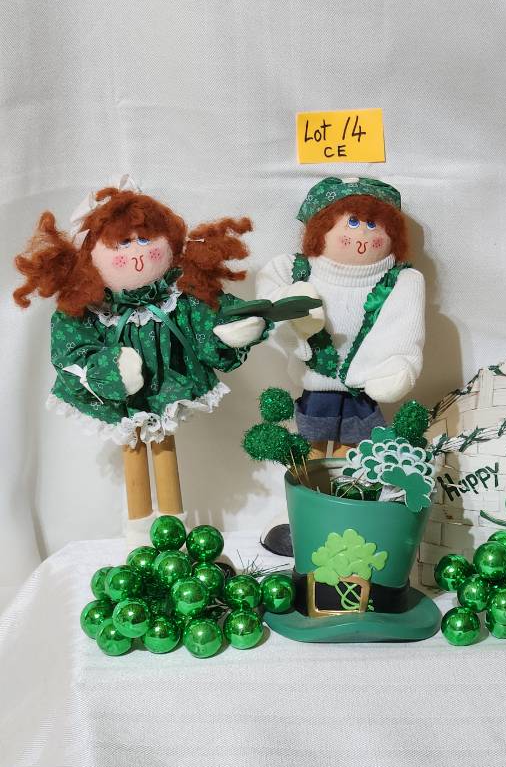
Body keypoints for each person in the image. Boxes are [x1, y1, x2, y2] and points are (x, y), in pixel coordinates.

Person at [13, 177, 272, 539]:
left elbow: (205, 316)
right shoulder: (90, 308)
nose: (137, 251)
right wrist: (107, 370)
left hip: (169, 387)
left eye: (146, 239)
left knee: (164, 451)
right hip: (121, 397)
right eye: (123, 242)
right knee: (132, 449)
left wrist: (230, 327)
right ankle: (138, 534)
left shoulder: (177, 296)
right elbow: (71, 351)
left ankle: (173, 532)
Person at [256, 176, 425, 554]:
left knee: (355, 454)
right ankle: (303, 517)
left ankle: (348, 516)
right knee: (310, 453)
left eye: (373, 224)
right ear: (320, 228)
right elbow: (271, 309)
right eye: (351, 221)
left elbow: (405, 331)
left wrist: (398, 367)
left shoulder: (402, 281)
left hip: (363, 390)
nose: (362, 233)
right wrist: (295, 316)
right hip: (315, 388)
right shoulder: (295, 271)